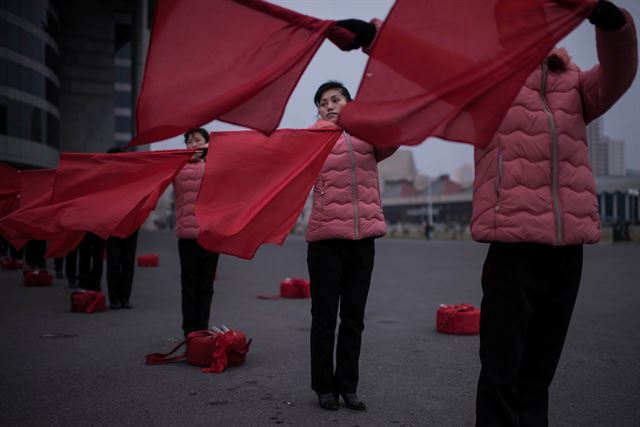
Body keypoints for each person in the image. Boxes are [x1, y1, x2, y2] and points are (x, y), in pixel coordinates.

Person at [468, 2, 637, 426]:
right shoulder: (485, 82)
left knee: (538, 376)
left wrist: (612, 18)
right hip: (513, 248)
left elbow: (619, 70)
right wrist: (375, 37)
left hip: (567, 252)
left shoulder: (575, 83)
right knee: (501, 373)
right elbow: (425, 62)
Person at [306, 81, 396, 411]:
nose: (329, 105)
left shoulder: (368, 137)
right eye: (323, 102)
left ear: (349, 103)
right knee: (325, 318)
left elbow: (394, 136)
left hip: (363, 240)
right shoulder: (311, 139)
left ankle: (348, 385)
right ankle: (323, 386)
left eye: (336, 99)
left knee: (354, 318)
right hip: (326, 241)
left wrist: (366, 117)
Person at [174, 128, 219, 337]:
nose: (193, 144)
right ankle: (189, 330)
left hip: (210, 236)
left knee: (206, 285)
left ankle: (202, 327)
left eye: (198, 140)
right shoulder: (176, 169)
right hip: (187, 237)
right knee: (189, 285)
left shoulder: (213, 167)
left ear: (206, 144)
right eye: (189, 141)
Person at [105, 146, 139, 309]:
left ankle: (125, 297)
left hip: (131, 225)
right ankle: (114, 299)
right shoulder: (105, 180)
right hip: (112, 226)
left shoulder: (132, 178)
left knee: (128, 263)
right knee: (113, 263)